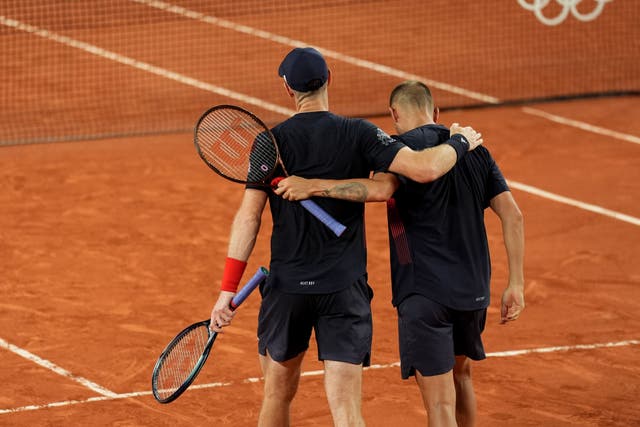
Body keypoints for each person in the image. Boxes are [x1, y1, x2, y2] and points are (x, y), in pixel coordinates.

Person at [209, 49, 483, 427]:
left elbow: (248, 217)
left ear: (287, 89)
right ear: (330, 79)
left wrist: (227, 289)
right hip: (344, 289)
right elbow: (417, 172)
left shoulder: (269, 142)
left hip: (288, 289)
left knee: (276, 397)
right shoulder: (361, 133)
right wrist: (460, 142)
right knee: (347, 412)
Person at [274, 80, 525, 427]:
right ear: (435, 112)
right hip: (473, 291)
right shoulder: (474, 149)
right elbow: (513, 214)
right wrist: (516, 283)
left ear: (394, 114)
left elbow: (378, 190)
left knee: (439, 406)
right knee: (462, 377)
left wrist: (314, 186)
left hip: (424, 295)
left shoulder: (398, 151)